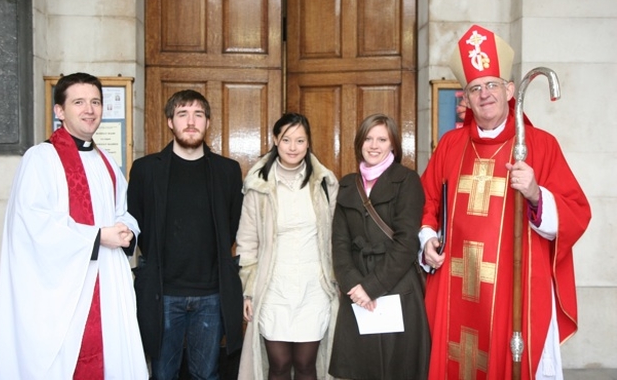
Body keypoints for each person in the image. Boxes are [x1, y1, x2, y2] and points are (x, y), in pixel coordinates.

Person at [419, 24, 592, 379]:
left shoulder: (540, 146)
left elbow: (577, 211)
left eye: (492, 85)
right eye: (475, 88)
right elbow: (427, 201)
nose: (484, 95)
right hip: (457, 287)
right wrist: (425, 239)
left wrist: (535, 195)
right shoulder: (450, 146)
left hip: (516, 292)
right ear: (465, 98)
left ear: (510, 90)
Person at [0, 72, 148, 379]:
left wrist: (126, 229)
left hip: (105, 284)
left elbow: (122, 210)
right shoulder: (41, 159)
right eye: (79, 102)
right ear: (59, 111)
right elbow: (32, 226)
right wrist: (97, 236)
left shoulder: (106, 162)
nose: (89, 110)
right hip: (62, 293)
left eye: (95, 102)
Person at [127, 89, 244, 380]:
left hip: (211, 295)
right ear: (170, 122)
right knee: (163, 374)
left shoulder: (227, 171)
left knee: (207, 374)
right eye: (182, 114)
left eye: (198, 115)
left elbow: (233, 224)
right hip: (162, 294)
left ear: (208, 122)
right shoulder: (145, 170)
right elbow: (135, 223)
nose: (191, 122)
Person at [236, 113, 340, 380]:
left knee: (306, 364)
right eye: (286, 140)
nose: (293, 147)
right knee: (279, 364)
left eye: (300, 140)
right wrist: (248, 291)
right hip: (274, 288)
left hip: (313, 288)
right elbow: (247, 242)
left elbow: (335, 239)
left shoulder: (325, 184)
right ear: (275, 140)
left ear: (308, 143)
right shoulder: (258, 186)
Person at [328, 114, 430, 380]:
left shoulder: (407, 180)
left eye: (382, 139)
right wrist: (354, 286)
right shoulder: (347, 184)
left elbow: (407, 242)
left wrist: (371, 288)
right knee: (361, 370)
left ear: (393, 145)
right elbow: (339, 243)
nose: (374, 145)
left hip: (397, 287)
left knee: (398, 370)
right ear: (359, 143)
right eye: (368, 138)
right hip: (356, 291)